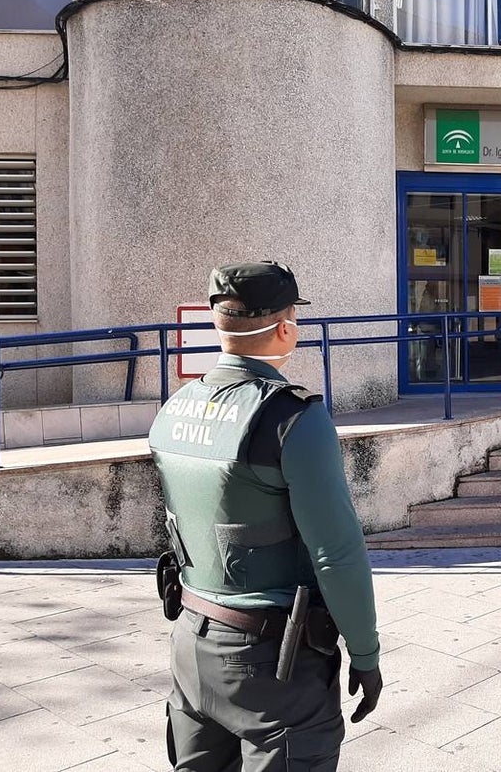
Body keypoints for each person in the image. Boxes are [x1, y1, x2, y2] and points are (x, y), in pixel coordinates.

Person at [148, 261, 382, 772]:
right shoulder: (292, 417)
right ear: (283, 326)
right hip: (273, 666)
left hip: (191, 642)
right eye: (294, 314)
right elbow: (337, 552)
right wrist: (365, 654)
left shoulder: (174, 409)